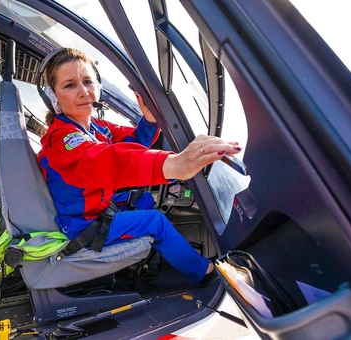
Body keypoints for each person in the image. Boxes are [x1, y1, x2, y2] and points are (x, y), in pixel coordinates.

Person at [36, 48, 242, 284]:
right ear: (53, 97)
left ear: (98, 86)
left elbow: (132, 142)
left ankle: (154, 261)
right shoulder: (62, 139)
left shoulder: (96, 127)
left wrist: (149, 119)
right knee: (155, 221)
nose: (83, 92)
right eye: (70, 85)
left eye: (87, 81)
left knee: (143, 199)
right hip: (83, 227)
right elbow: (104, 161)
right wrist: (172, 164)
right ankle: (205, 273)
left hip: (98, 209)